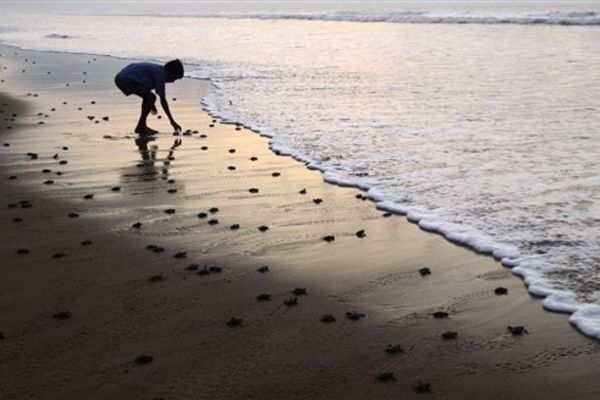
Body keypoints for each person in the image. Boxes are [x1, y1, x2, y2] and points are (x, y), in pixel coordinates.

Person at [115, 59, 183, 135]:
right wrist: (172, 122)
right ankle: (141, 126)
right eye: (174, 78)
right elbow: (163, 101)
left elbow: (145, 85)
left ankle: (142, 125)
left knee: (149, 97)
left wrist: (151, 104)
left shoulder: (159, 69)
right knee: (151, 97)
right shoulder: (160, 75)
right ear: (170, 73)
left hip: (122, 76)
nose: (173, 81)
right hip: (125, 79)